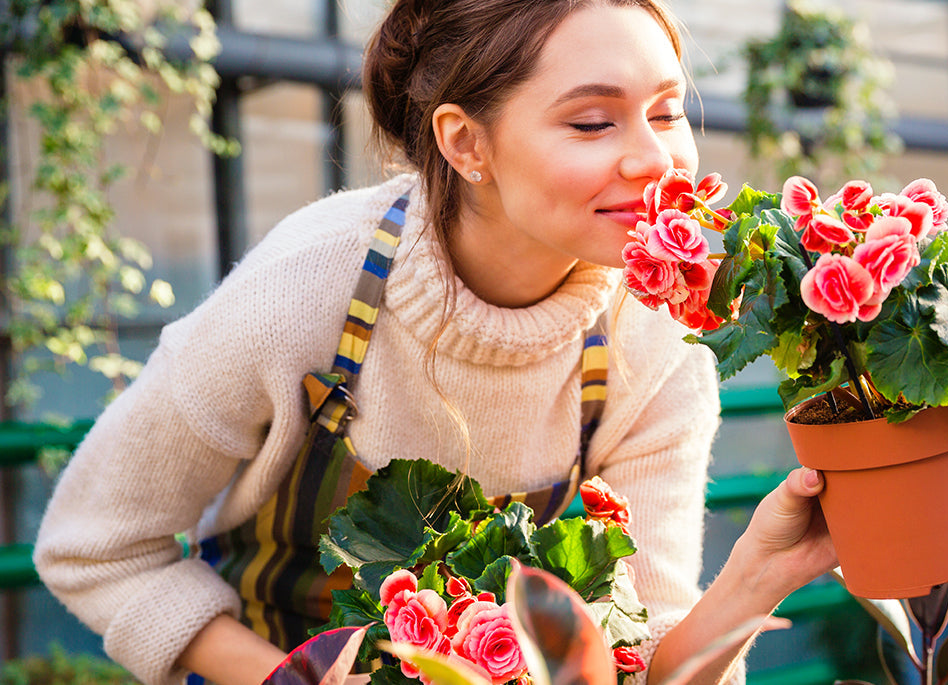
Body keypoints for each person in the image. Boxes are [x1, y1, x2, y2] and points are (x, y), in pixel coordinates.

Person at [33, 0, 838, 683]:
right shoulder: (307, 287)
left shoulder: (656, 335)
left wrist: (756, 579)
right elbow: (95, 547)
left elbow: (643, 650)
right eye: (594, 121)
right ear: (465, 143)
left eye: (666, 111)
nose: (656, 158)